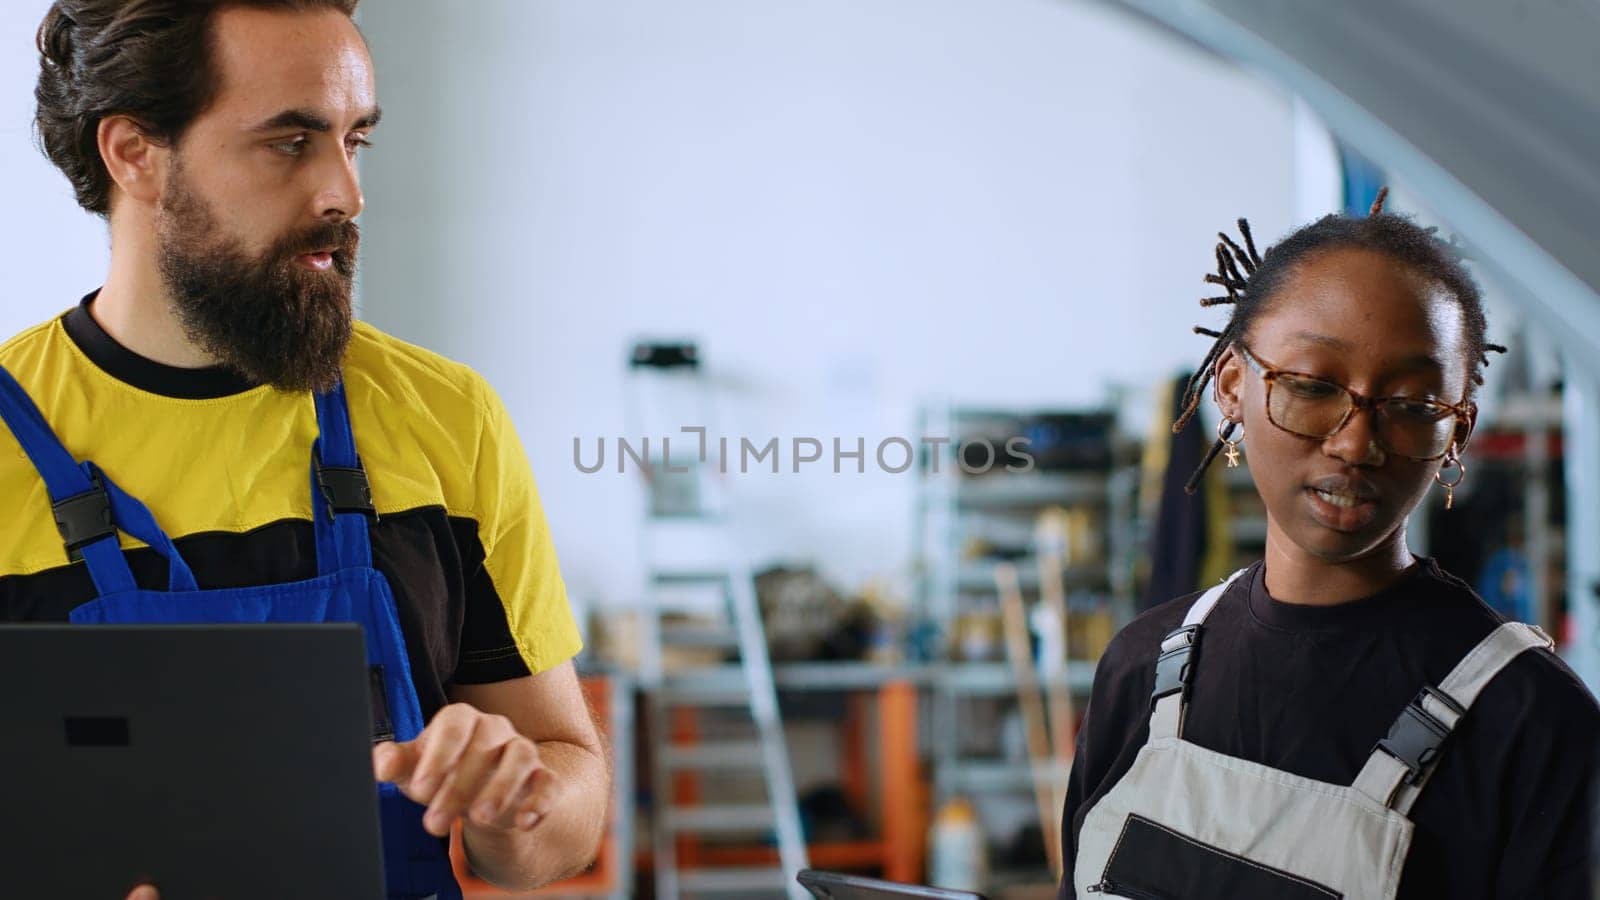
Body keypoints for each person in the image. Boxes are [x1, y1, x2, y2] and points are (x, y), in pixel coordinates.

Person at [8, 2, 609, 897]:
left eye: (354, 140)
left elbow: (571, 802)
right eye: (291, 142)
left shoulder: (446, 417)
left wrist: (516, 798)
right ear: (134, 152)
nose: (346, 193)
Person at [1059, 191, 1600, 898]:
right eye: (1312, 386)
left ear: (1457, 433)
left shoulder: (1528, 720)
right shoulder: (1141, 667)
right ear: (1231, 385)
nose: (1355, 442)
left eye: (1411, 406)